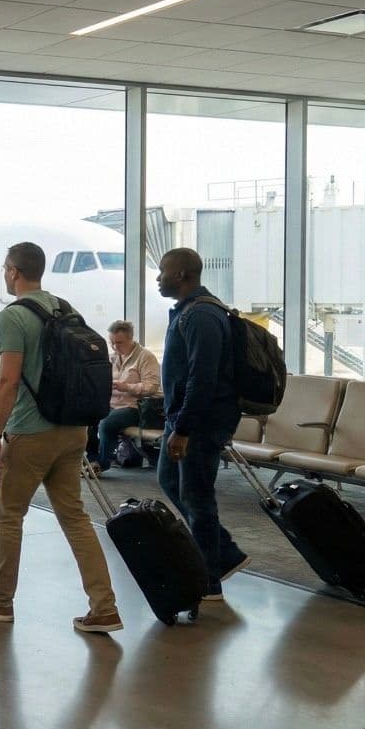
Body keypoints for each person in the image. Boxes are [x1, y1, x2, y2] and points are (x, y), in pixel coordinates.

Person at [0, 244, 120, 631]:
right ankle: (104, 606)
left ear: (13, 272)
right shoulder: (66, 309)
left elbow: (7, 380)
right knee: (75, 517)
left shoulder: (14, 316)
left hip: (30, 432)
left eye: (4, 269)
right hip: (73, 430)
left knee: (9, 515)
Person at [156, 248, 249, 602]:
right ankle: (223, 553)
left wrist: (183, 429)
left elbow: (202, 379)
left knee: (197, 496)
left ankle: (210, 580)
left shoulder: (202, 315)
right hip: (182, 418)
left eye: (163, 271)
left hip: (199, 423)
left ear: (181, 274)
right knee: (169, 481)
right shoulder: (187, 312)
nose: (158, 277)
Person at [89, 320, 161, 474]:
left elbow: (152, 386)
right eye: (112, 343)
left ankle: (102, 464)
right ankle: (92, 460)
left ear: (131, 339)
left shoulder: (145, 357)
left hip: (136, 406)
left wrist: (126, 386)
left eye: (119, 343)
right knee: (87, 415)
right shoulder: (112, 357)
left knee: (107, 423)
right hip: (113, 404)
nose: (115, 347)